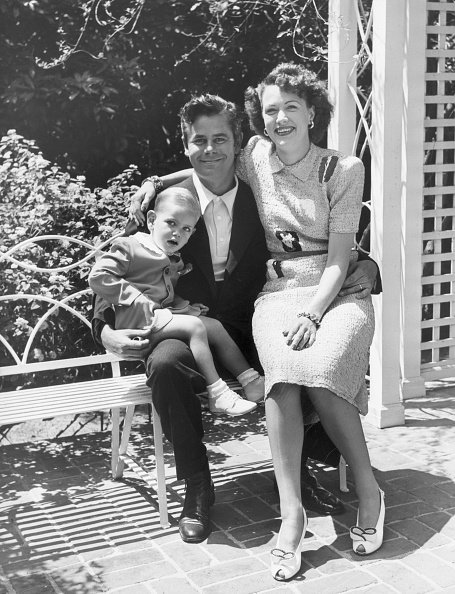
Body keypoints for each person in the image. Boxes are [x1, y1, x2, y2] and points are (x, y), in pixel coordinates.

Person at [94, 93, 378, 546]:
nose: (210, 151)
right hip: (186, 328)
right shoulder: (166, 207)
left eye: (220, 139)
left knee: (292, 348)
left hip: (252, 322)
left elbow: (316, 246)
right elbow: (120, 276)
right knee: (165, 366)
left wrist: (369, 269)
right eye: (198, 141)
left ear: (239, 141)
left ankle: (298, 473)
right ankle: (197, 487)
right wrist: (107, 331)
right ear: (185, 145)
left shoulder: (264, 195)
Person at [234, 62, 382, 581]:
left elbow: (341, 259)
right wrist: (162, 180)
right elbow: (208, 173)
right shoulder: (254, 156)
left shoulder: (342, 168)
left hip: (334, 292)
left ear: (312, 112)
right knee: (282, 379)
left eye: (290, 107)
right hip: (276, 292)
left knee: (319, 368)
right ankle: (291, 514)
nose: (279, 119)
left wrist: (313, 312)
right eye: (270, 109)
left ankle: (369, 491)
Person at [89, 187, 263, 416]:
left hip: (159, 316)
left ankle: (251, 381)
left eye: (186, 229)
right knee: (196, 327)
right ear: (151, 220)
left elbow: (164, 293)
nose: (177, 233)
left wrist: (186, 306)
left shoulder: (171, 258)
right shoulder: (130, 246)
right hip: (136, 322)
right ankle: (218, 393)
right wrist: (135, 298)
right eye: (171, 223)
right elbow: (98, 276)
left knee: (215, 326)